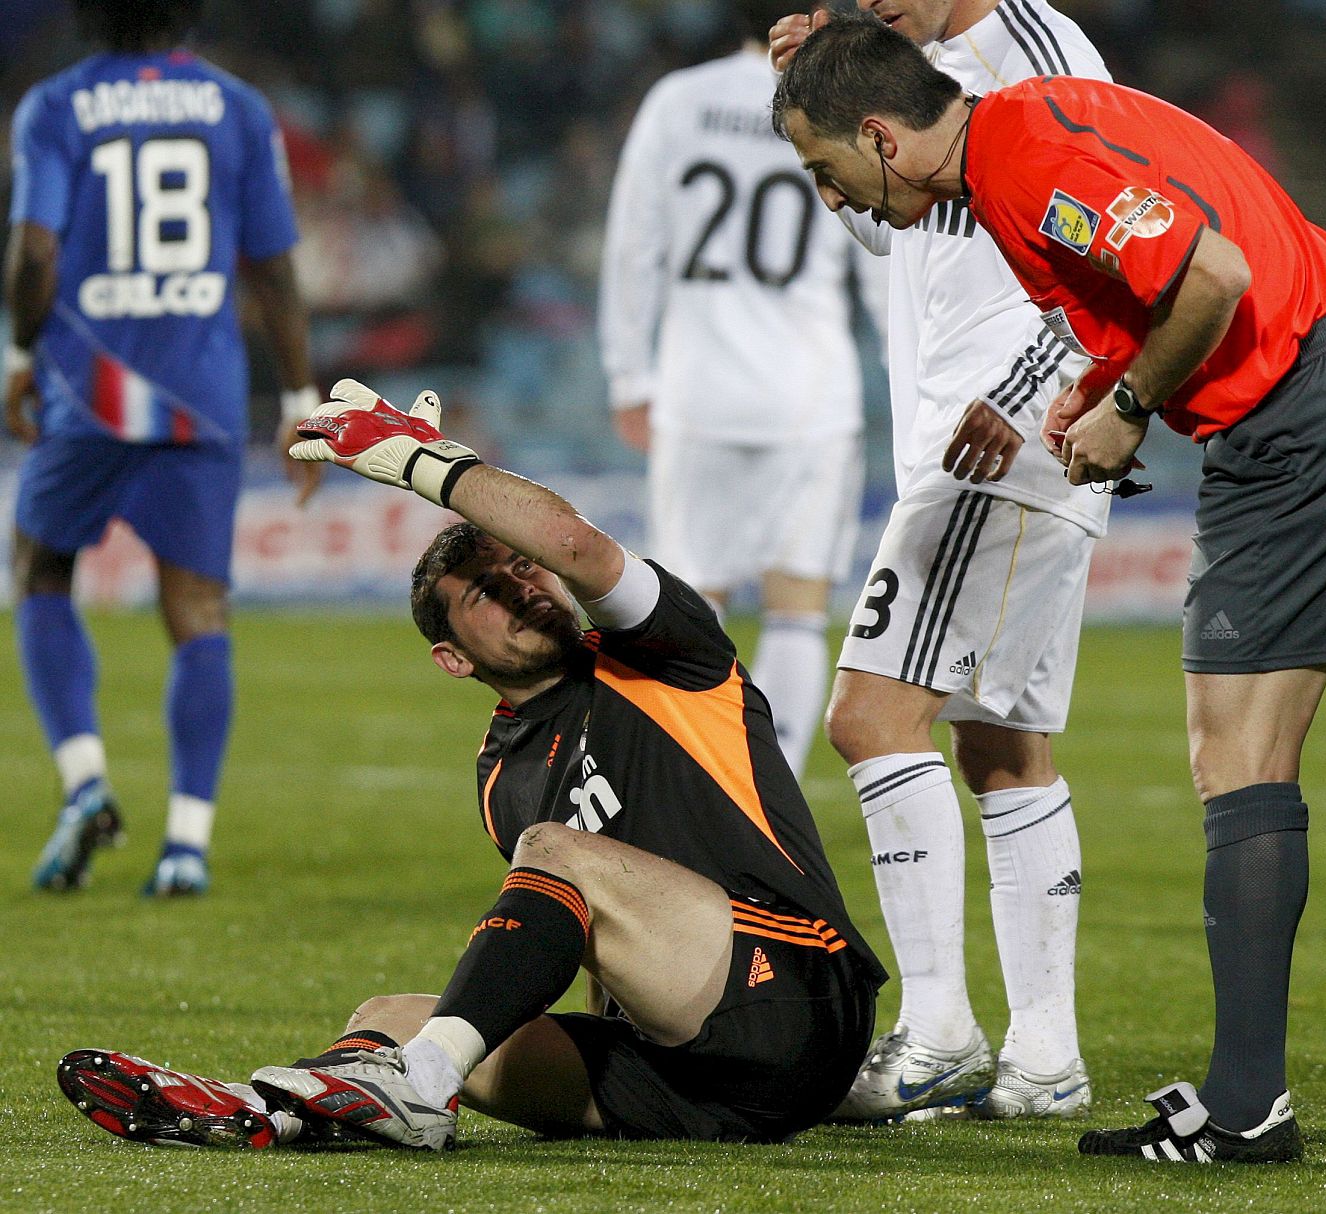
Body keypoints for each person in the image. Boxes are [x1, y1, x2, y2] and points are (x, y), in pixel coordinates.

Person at [772, 13, 1326, 1162]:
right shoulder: (1035, 120)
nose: (832, 196)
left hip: (1298, 414)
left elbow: (1211, 274)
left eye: (823, 168)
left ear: (882, 137)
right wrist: (1100, 377)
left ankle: (1243, 1106)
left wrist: (1131, 404)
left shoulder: (1020, 165)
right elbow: (1170, 246)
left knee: (1234, 754)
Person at [58, 379, 885, 1150]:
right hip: (691, 1076)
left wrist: (428, 463)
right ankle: (264, 1111)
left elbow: (572, 541)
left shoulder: (665, 653)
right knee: (388, 1015)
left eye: (521, 566)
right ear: (453, 659)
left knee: (553, 853)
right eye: (486, 592)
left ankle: (424, 1084)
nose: (522, 585)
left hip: (794, 996)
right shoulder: (500, 778)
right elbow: (600, 943)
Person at [768, 0, 1112, 1123]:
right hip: (990, 432)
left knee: (869, 717)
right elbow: (907, 230)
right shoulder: (914, 74)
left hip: (1004, 436)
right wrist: (828, 101)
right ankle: (1046, 1058)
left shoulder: (1037, 49)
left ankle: (935, 1029)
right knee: (1003, 745)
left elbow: (1115, 237)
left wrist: (1028, 390)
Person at [5, 0, 321, 896]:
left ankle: (85, 783)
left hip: (89, 389)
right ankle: (187, 843)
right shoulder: (239, 107)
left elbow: (34, 256)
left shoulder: (56, 105)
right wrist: (300, 397)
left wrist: (21, 353)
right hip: (200, 393)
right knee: (198, 609)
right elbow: (274, 266)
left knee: (41, 569)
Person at [598, 0, 875, 777]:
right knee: (797, 607)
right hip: (810, 394)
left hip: (697, 392)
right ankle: (775, 787)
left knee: (691, 604)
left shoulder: (678, 100)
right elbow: (883, 254)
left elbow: (634, 244)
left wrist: (629, 374)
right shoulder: (844, 99)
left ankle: (706, 780)